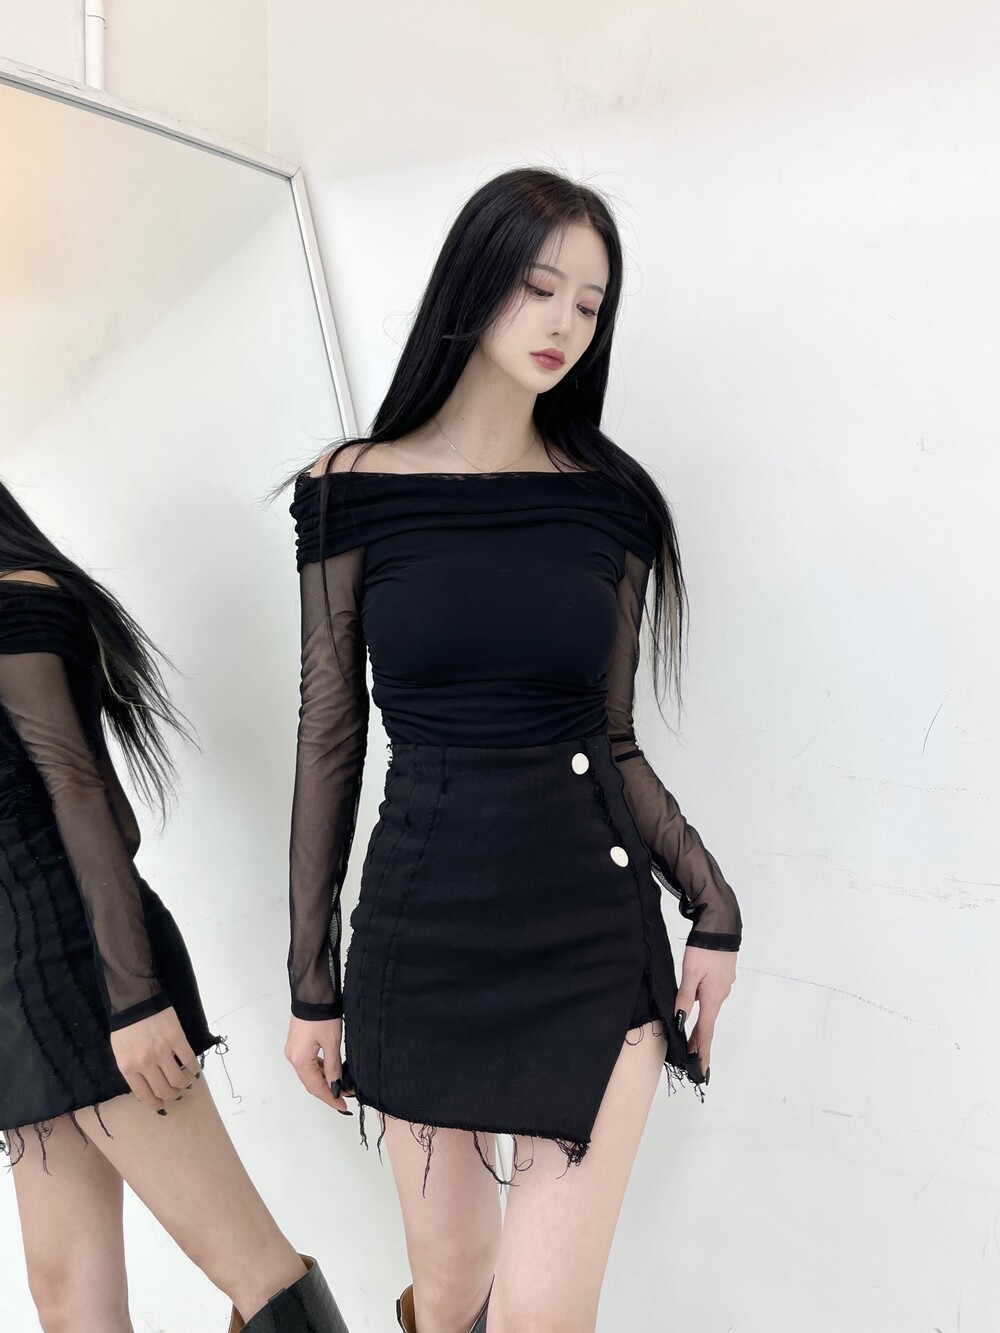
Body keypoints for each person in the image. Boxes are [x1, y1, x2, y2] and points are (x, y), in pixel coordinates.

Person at [279, 166, 743, 1333]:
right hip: (421, 933)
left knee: (540, 1318)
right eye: (540, 287)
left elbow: (613, 739)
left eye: (589, 304)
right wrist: (310, 981)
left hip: (590, 941)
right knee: (448, 1295)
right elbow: (329, 735)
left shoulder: (610, 504)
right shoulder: (349, 492)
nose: (562, 324)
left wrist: (712, 904)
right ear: (473, 283)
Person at [0, 479, 350, 1332]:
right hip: (18, 1001)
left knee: (252, 1266)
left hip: (89, 972)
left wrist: (134, 996)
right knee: (68, 1302)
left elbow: (86, 795)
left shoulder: (16, 599)